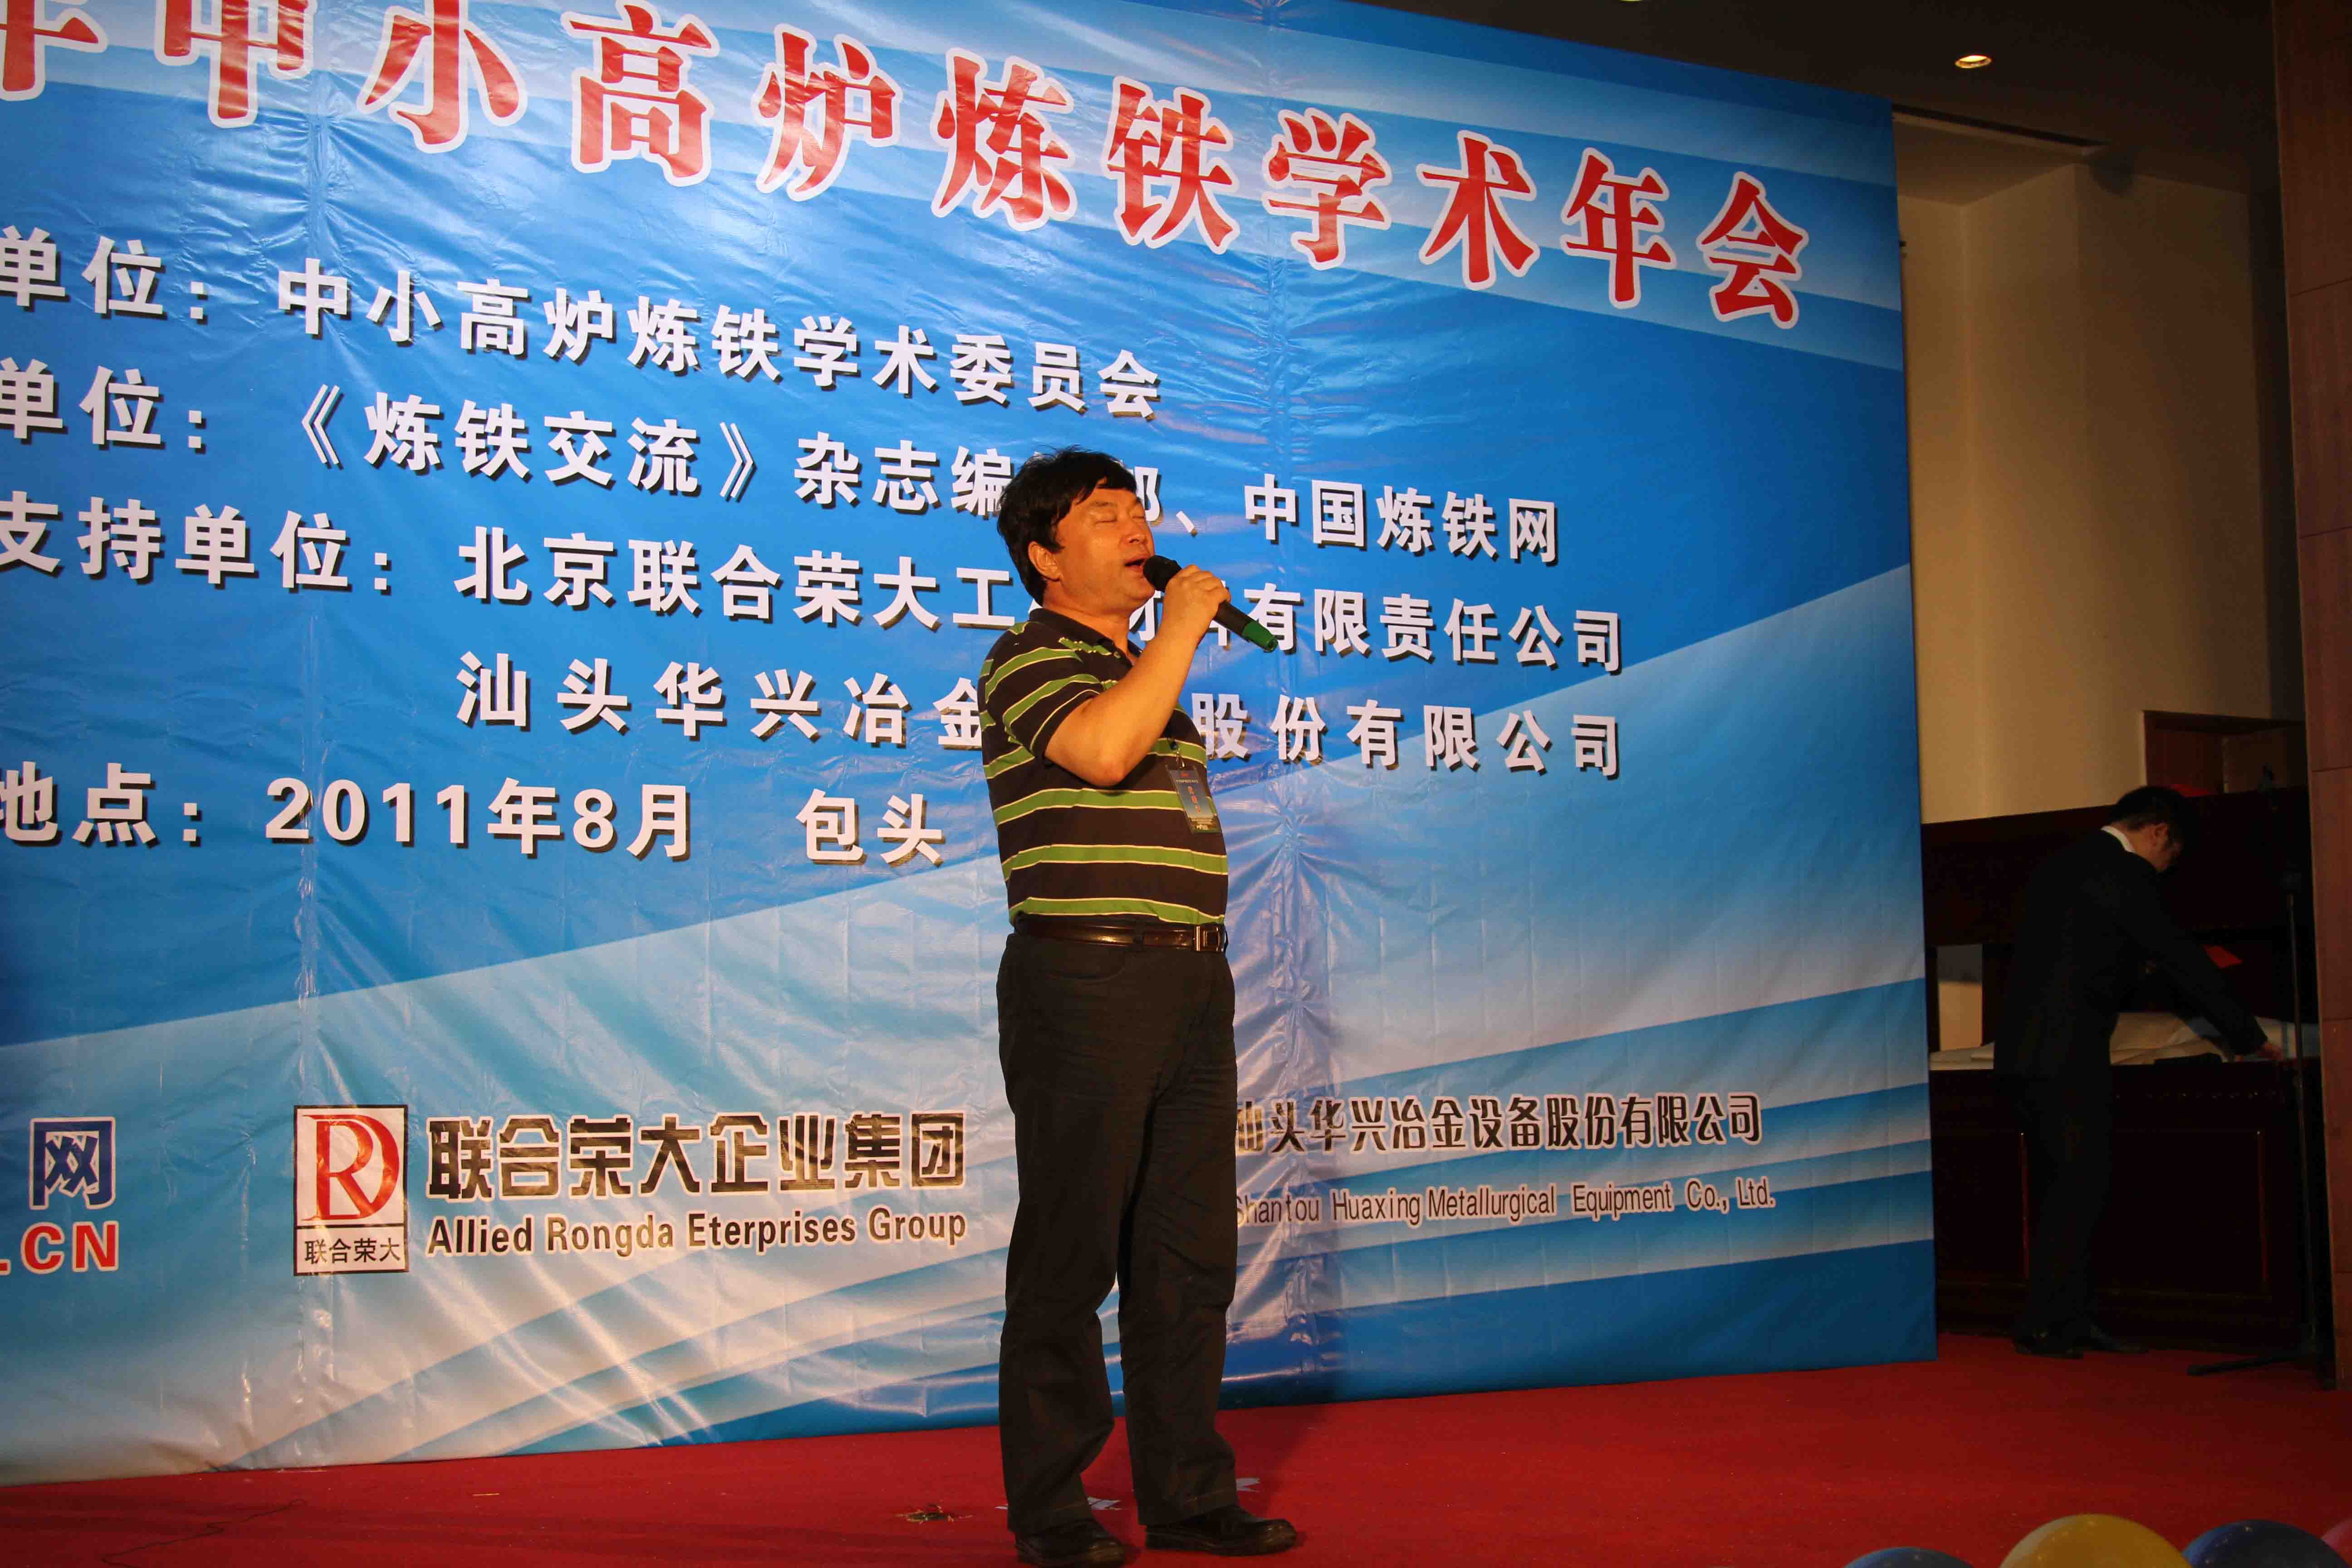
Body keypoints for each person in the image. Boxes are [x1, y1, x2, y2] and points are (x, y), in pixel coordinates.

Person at [977, 449, 1297, 1565]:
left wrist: (1164, 649)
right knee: (1071, 1253)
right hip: (1087, 980)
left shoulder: (1144, 677)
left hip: (1190, 981)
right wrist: (1181, 630)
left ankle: (1189, 1494)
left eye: (1136, 511)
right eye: (1103, 515)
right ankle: (1052, 1508)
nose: (1135, 529)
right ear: (1044, 556)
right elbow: (1103, 755)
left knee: (1186, 1252)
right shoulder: (1026, 658)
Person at [1994, 784, 2273, 1358]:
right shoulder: (2125, 873)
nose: (2169, 869)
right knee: (2081, 1188)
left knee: (2058, 1187)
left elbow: (2072, 953)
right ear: (2159, 833)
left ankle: (2063, 1318)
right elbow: (2181, 958)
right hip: (2069, 1051)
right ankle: (2051, 1323)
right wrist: (2250, 1037)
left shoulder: (2057, 864)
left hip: (2021, 1049)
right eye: (2173, 857)